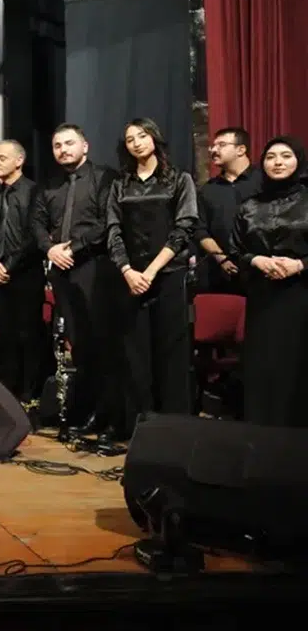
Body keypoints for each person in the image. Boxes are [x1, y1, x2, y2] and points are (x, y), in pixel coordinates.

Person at [107, 117, 198, 427]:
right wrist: (127, 270)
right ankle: (140, 427)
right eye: (130, 139)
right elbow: (113, 230)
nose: (136, 143)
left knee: (171, 353)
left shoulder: (179, 179)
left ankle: (173, 428)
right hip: (131, 279)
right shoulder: (120, 184)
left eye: (142, 136)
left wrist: (152, 270)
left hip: (169, 274)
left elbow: (185, 227)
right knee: (136, 354)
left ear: (155, 138)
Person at [31, 123, 117, 432]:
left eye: (69, 143)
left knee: (100, 342)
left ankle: (106, 416)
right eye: (57, 145)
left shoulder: (105, 178)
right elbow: (36, 222)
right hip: (61, 270)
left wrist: (74, 248)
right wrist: (50, 249)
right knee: (77, 344)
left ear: (85, 146)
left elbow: (108, 221)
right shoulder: (49, 183)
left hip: (94, 267)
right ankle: (82, 413)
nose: (63, 150)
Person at [229, 136, 308, 427]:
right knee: (264, 367)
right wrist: (256, 260)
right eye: (271, 157)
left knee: (298, 366)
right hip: (263, 298)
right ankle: (262, 437)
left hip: (301, 295)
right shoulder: (249, 206)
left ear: (298, 161)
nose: (278, 162)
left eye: (286, 156)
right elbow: (234, 250)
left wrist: (300, 265)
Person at [0, 141, 44, 402]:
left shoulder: (33, 191)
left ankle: (30, 394)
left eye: (2, 158)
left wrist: (9, 265)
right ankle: (7, 392)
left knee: (28, 335)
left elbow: (35, 235)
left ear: (19, 161)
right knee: (5, 338)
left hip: (25, 276)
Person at [195, 127, 258, 294]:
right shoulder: (208, 189)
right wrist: (221, 258)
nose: (214, 150)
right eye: (213, 146)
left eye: (221, 145)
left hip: (262, 272)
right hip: (220, 274)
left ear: (241, 149)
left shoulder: (263, 181)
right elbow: (200, 229)